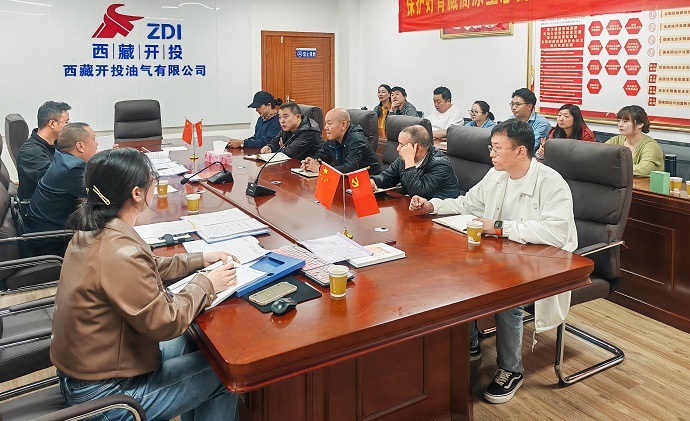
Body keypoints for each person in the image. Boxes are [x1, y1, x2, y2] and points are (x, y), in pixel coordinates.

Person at [50, 147, 239, 420]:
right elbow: (166, 322)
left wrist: (199, 259)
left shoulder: (93, 230)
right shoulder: (120, 250)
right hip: (108, 397)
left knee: (194, 342)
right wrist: (206, 284)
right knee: (226, 373)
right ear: (137, 193)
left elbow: (145, 267)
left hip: (90, 371)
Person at [409, 119, 577, 404]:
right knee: (457, 275)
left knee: (507, 295)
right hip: (501, 253)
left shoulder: (551, 183)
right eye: (491, 147)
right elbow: (467, 204)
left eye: (498, 148)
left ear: (520, 151)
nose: (491, 154)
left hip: (544, 259)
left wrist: (499, 227)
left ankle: (511, 369)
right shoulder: (496, 175)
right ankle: (471, 343)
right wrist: (432, 205)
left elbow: (556, 233)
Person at [25, 123, 98, 256]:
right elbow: (102, 197)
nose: (97, 143)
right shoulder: (74, 169)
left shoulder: (62, 158)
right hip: (53, 244)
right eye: (94, 139)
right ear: (80, 146)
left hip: (41, 233)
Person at [370, 125, 460, 199]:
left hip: (439, 212)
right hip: (413, 207)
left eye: (402, 145)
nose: (398, 148)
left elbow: (418, 193)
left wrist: (409, 162)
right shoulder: (403, 159)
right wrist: (374, 181)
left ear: (418, 149)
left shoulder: (440, 165)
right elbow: (388, 177)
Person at [17, 101, 72, 200]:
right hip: (42, 205)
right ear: (52, 123)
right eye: (66, 122)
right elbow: (55, 182)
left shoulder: (56, 143)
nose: (69, 126)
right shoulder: (30, 152)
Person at [301, 108, 382, 175]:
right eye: (326, 123)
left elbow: (349, 168)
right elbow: (322, 156)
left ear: (343, 125)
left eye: (329, 123)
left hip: (370, 183)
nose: (325, 127)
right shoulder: (334, 138)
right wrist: (311, 161)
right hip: (346, 182)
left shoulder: (357, 140)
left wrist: (319, 169)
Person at [606, 105, 663, 177]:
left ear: (640, 124)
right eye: (619, 121)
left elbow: (644, 169)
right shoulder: (616, 140)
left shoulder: (651, 146)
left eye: (625, 121)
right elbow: (599, 155)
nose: (620, 125)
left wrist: (614, 169)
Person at [509, 88, 551, 152]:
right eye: (512, 104)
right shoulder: (512, 119)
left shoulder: (542, 123)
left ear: (529, 106)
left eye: (518, 104)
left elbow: (531, 147)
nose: (513, 107)